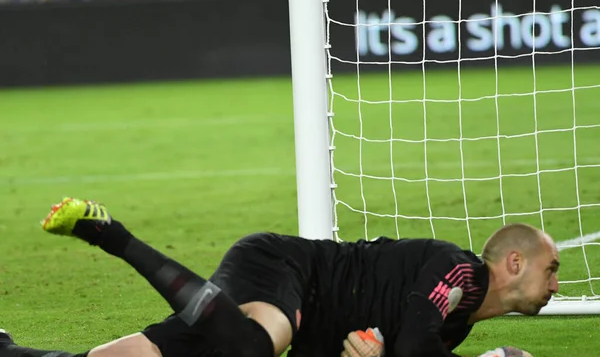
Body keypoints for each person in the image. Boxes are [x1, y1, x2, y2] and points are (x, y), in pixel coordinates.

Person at [1, 197, 558, 357]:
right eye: (550, 268)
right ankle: (113, 236)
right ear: (513, 261)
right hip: (284, 267)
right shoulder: (457, 271)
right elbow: (412, 347)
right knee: (251, 349)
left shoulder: (452, 326)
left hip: (296, 313)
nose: (556, 283)